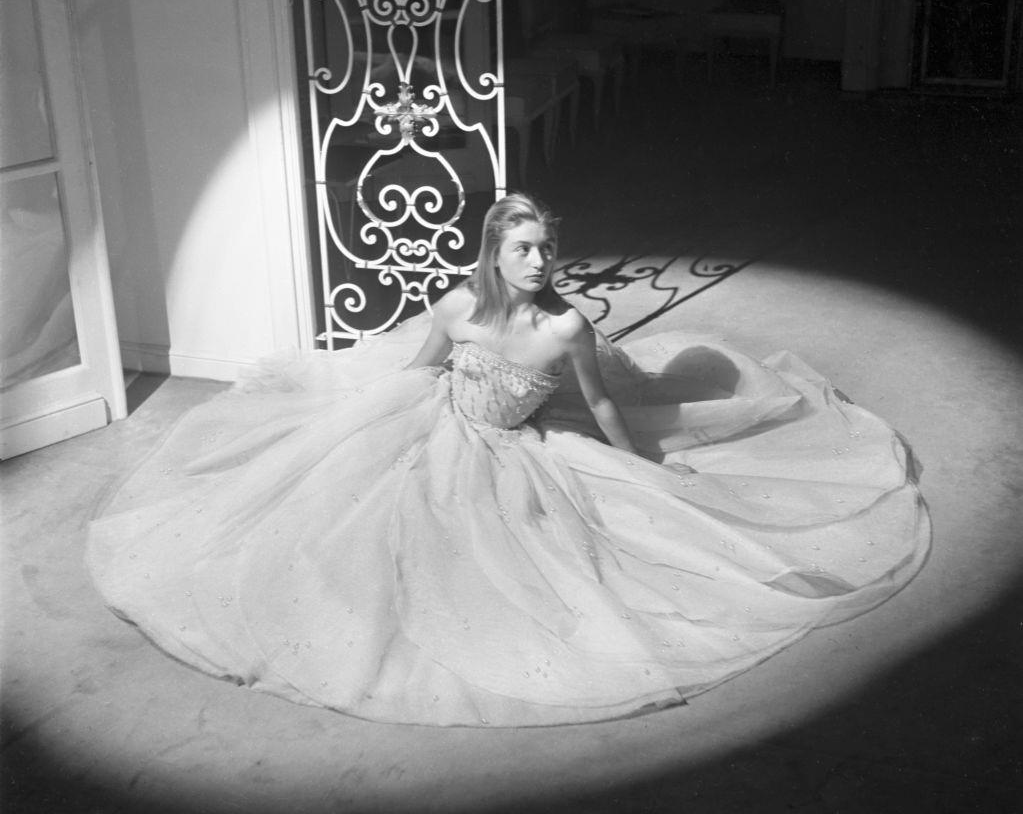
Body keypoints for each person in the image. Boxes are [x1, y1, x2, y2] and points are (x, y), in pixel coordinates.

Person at [87, 193, 930, 728]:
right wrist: (354, 411)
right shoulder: (455, 304)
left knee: (547, 562)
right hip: (431, 421)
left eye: (544, 248)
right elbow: (417, 370)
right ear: (491, 253)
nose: (538, 262)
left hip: (518, 448)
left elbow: (600, 404)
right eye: (522, 249)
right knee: (347, 528)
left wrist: (643, 465)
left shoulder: (567, 328)